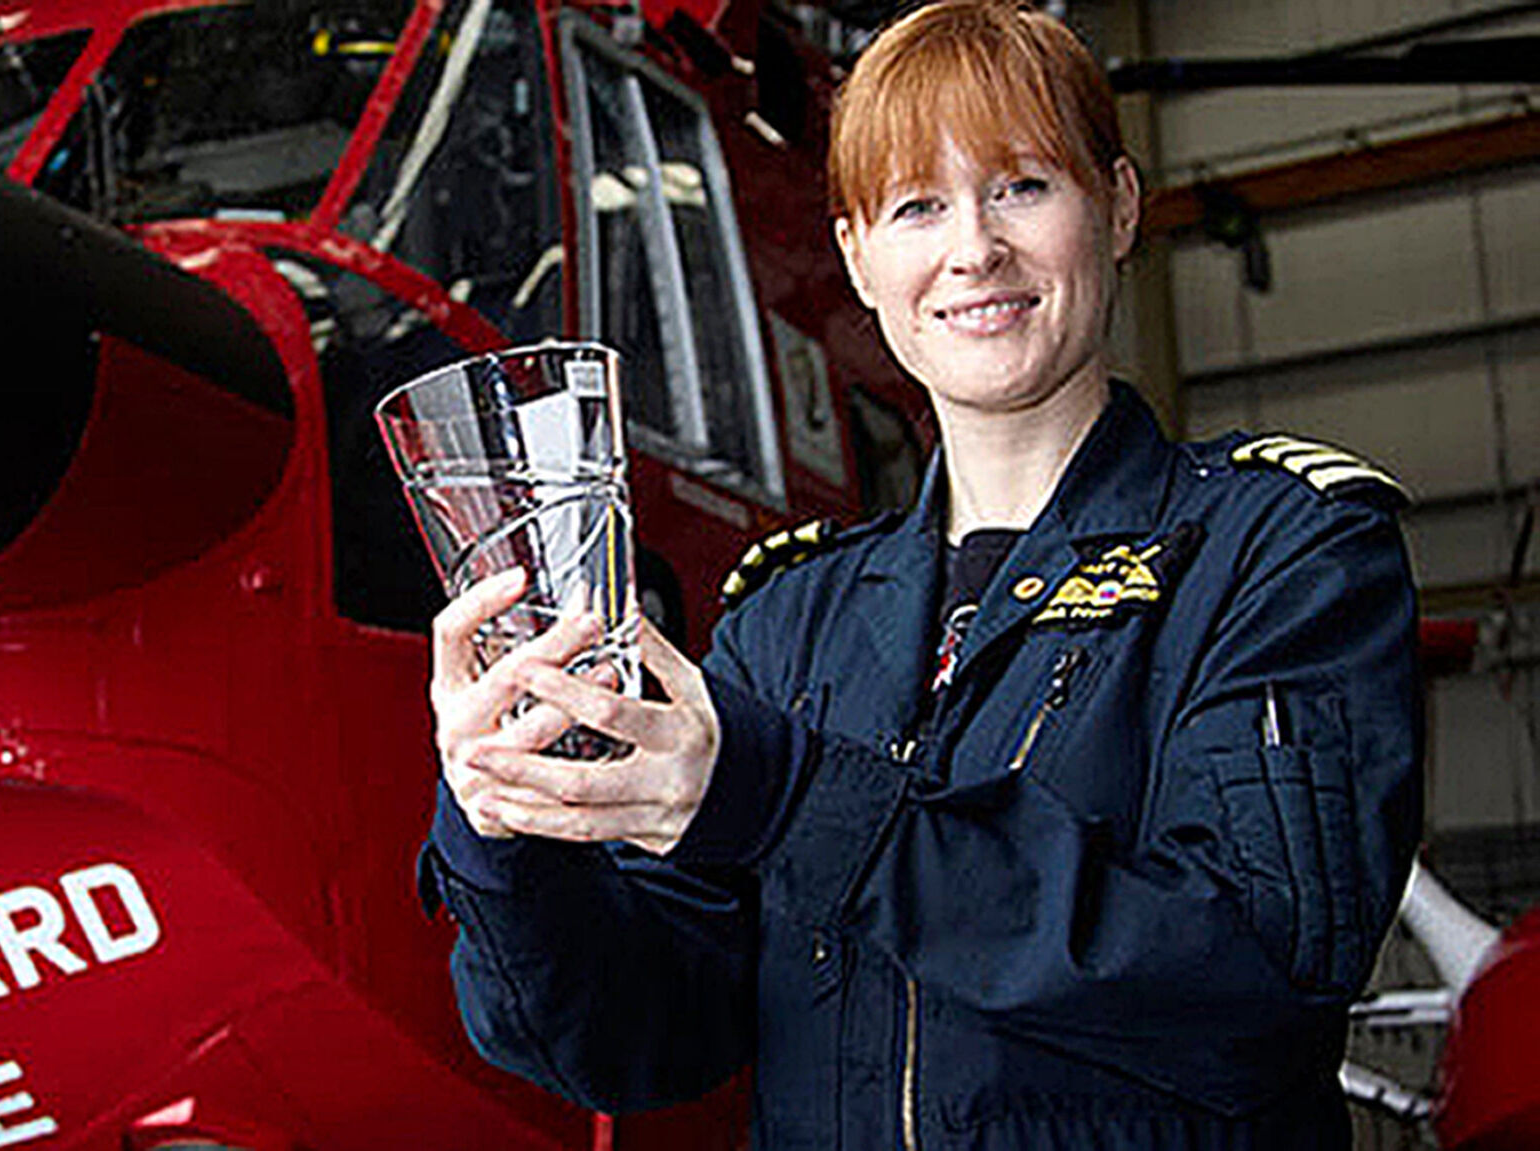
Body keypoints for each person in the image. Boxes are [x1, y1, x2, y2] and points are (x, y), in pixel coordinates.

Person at [414, 1, 1422, 1147]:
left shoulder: (1281, 553)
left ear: (1117, 206)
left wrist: (785, 799)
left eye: (1022, 186)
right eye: (915, 206)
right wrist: (504, 829)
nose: (972, 249)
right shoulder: (789, 619)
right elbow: (638, 1040)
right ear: (856, 255)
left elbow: (1253, 984)